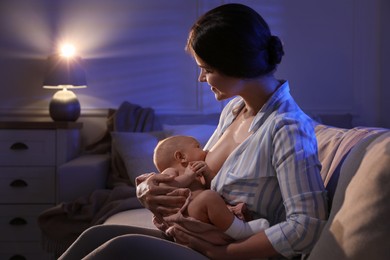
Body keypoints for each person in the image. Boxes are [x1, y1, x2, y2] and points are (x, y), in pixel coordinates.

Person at [59, 3, 328, 259]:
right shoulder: (234, 111)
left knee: (117, 250)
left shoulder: (287, 127)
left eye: (206, 69)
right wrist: (154, 189)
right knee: (96, 235)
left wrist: (225, 254)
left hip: (231, 252)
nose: (201, 79)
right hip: (196, 238)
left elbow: (307, 226)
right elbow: (198, 179)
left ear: (235, 64)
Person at [152, 135, 269, 242]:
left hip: (200, 212)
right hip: (186, 212)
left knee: (211, 196)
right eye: (198, 147)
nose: (205, 151)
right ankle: (240, 231)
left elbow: (214, 187)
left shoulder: (197, 174)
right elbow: (165, 187)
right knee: (208, 196)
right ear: (181, 156)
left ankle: (232, 229)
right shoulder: (171, 171)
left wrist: (207, 173)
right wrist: (187, 176)